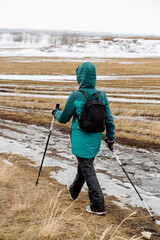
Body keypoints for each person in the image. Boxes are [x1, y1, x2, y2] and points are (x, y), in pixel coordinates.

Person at [52, 62, 115, 215]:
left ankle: (98, 206)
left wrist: (55, 112)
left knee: (88, 169)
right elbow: (109, 120)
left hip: (80, 141)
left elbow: (63, 118)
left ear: (80, 76)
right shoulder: (101, 95)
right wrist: (110, 139)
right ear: (94, 77)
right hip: (94, 141)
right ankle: (74, 191)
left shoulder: (75, 96)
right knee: (84, 166)